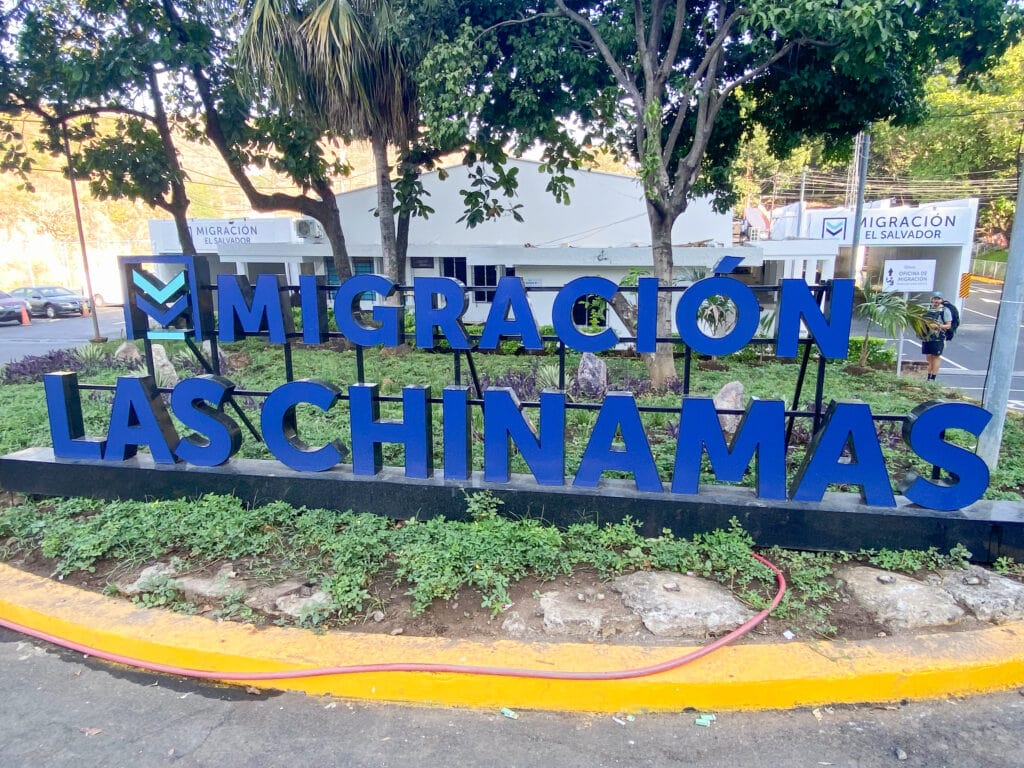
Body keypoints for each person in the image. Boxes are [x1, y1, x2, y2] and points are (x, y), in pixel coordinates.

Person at [921, 291, 952, 381]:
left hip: (938, 337)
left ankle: (933, 378)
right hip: (927, 336)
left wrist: (937, 326)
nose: (936, 301)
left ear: (941, 300)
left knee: (936, 357)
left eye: (938, 299)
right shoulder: (928, 309)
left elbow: (948, 325)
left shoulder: (945, 311)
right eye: (935, 298)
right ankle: (927, 376)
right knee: (928, 357)